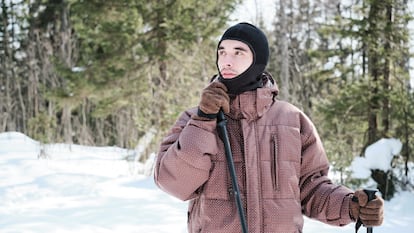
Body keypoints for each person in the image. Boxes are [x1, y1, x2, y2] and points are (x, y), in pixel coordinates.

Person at [154, 22, 384, 233]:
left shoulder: (293, 120)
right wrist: (204, 120)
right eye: (222, 51)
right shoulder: (195, 118)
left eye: (238, 52)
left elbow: (310, 188)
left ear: (257, 60)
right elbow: (173, 182)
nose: (227, 60)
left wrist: (351, 205)